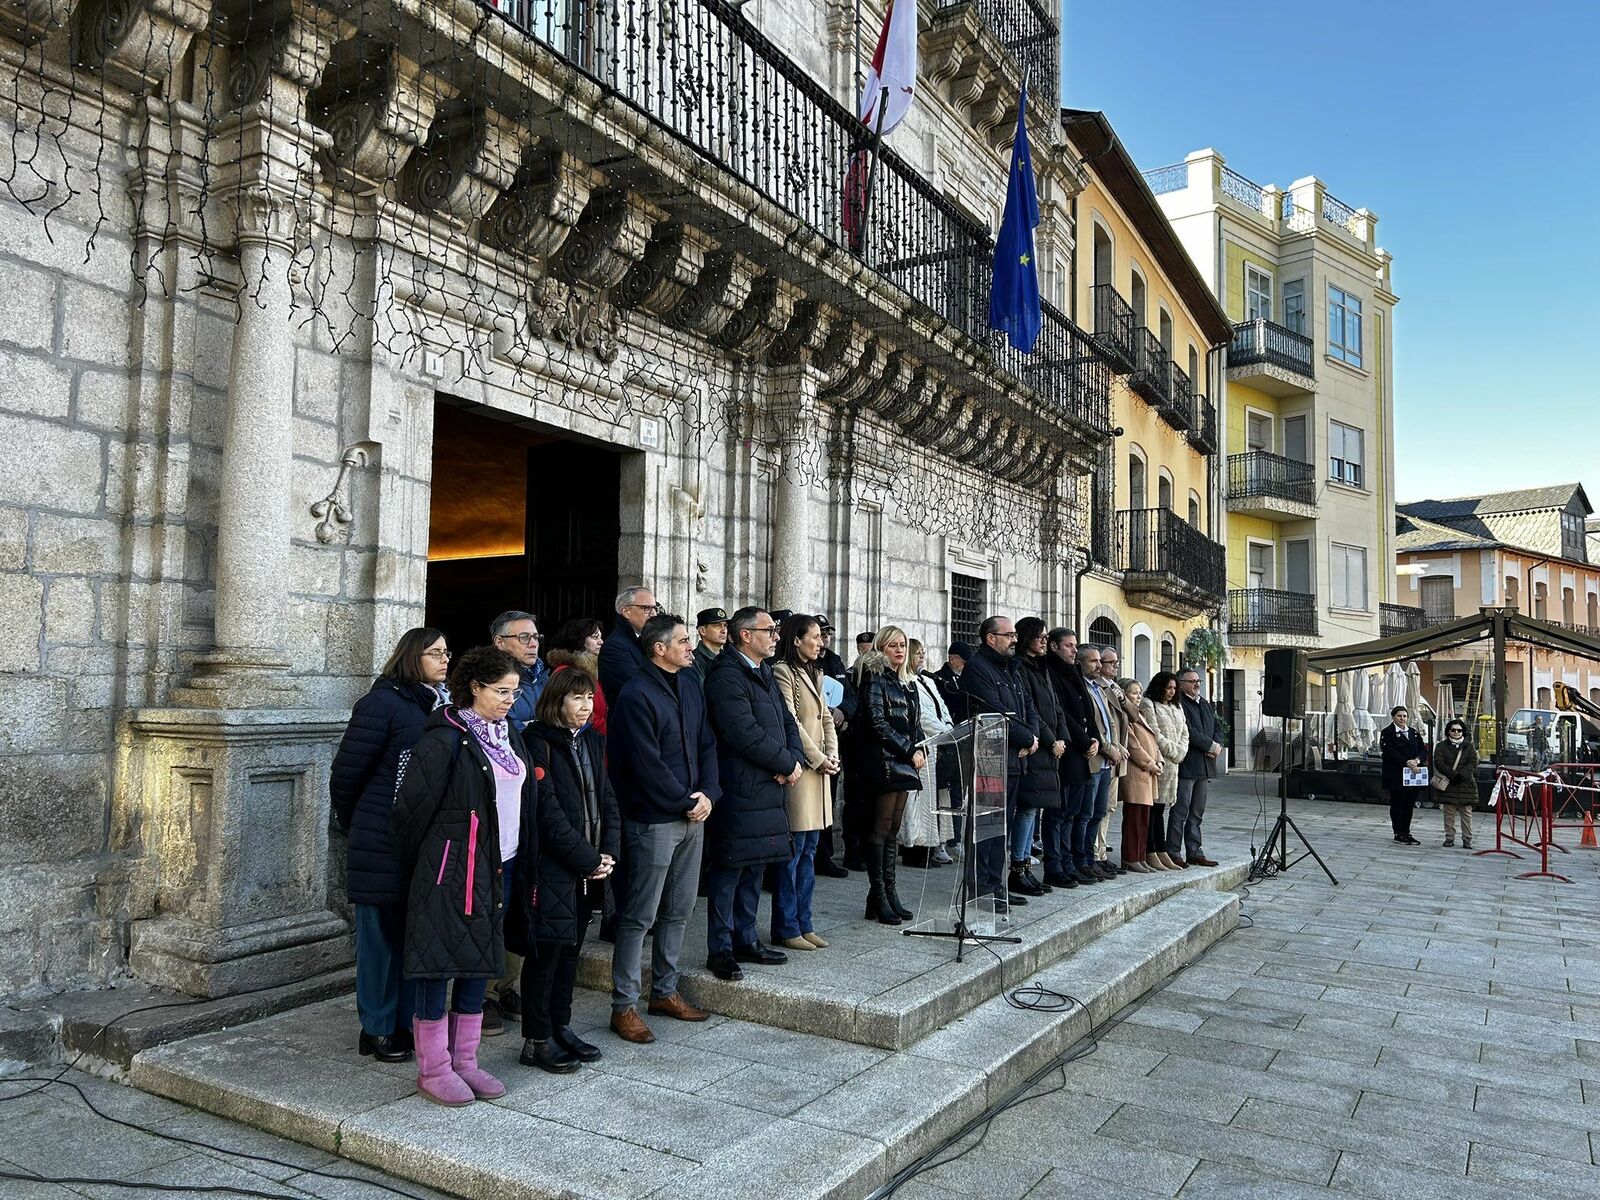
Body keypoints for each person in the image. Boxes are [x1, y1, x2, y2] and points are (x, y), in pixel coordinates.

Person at [390, 646, 536, 1106]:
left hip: (502, 861)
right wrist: (432, 862)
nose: (510, 700)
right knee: (438, 962)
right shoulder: (446, 736)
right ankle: (433, 1068)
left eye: (515, 692)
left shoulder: (509, 732)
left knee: (481, 957)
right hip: (452, 865)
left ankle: (466, 1060)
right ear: (474, 687)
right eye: (501, 691)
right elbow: (411, 809)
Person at [330, 626, 451, 1064]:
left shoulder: (442, 705)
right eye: (435, 653)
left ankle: (404, 1020)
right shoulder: (380, 704)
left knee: (411, 935)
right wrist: (358, 822)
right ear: (410, 657)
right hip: (380, 836)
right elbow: (346, 775)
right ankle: (376, 1027)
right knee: (378, 937)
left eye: (446, 652)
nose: (444, 659)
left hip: (421, 841)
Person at [606, 613, 718, 1042]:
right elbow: (643, 761)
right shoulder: (636, 693)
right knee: (640, 915)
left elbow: (706, 743)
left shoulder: (690, 685)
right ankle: (624, 1005)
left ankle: (665, 992)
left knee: (680, 910)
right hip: (655, 818)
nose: (691, 648)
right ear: (659, 648)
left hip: (694, 813)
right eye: (684, 641)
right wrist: (684, 800)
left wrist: (708, 792)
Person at [514, 667, 618, 1073]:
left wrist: (607, 853)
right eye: (577, 698)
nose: (586, 705)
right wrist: (587, 859)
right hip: (554, 867)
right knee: (547, 952)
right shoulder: (537, 741)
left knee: (571, 950)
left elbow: (607, 799)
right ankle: (536, 1039)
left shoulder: (591, 740)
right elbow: (547, 811)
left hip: (588, 866)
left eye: (589, 698)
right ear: (556, 701)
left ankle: (561, 1026)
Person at [703, 607, 804, 978]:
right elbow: (742, 731)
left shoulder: (762, 672)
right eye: (770, 630)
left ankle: (747, 939)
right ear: (745, 635)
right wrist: (785, 764)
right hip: (741, 789)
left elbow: (787, 722)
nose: (777, 636)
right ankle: (721, 948)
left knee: (754, 869)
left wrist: (793, 759)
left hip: (769, 789)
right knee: (729, 870)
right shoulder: (726, 675)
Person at [771, 613, 841, 950]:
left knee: (810, 851)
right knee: (794, 852)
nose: (820, 641)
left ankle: (805, 921)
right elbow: (792, 721)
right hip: (803, 771)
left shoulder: (815, 671)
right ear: (795, 639)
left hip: (820, 774)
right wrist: (817, 757)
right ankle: (786, 926)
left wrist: (833, 752)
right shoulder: (783, 672)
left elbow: (825, 718)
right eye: (813, 635)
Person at [960, 616, 1039, 914]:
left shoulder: (1013, 669)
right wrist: (1027, 737)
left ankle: (996, 886)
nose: (1015, 640)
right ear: (991, 638)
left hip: (1014, 760)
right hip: (990, 759)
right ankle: (981, 890)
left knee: (1002, 828)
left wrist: (1032, 736)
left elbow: (1027, 707)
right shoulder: (978, 668)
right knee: (986, 828)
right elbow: (994, 711)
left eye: (1015, 635)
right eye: (1009, 635)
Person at [852, 627, 926, 924]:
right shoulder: (874, 678)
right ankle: (878, 895)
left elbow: (913, 721)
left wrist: (921, 746)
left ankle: (889, 894)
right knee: (880, 828)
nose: (899, 650)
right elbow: (876, 722)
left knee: (894, 829)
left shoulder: (906, 682)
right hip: (882, 763)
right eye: (893, 645)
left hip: (905, 762)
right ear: (881, 648)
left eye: (903, 645)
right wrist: (910, 749)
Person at [1013, 618, 1068, 895]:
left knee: (1034, 810)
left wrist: (1063, 738)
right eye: (1040, 637)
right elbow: (1030, 708)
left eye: (1047, 637)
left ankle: (1026, 868)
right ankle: (1018, 868)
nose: (1045, 641)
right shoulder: (1020, 667)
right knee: (1026, 809)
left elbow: (1055, 707)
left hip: (1050, 747)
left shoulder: (1042, 667)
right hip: (1035, 746)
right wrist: (1049, 740)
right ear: (1026, 638)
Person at [1044, 628, 1100, 888]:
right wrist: (1084, 739)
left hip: (1082, 753)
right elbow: (1063, 714)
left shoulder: (1073, 671)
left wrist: (1096, 738)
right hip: (1066, 752)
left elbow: (1087, 710)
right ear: (1054, 646)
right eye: (1068, 646)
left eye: (1075, 646)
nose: (1073, 650)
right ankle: (1056, 864)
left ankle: (1071, 862)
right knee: (1059, 814)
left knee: (1075, 812)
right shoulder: (1051, 672)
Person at [906, 639, 956, 867]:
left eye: (924, 653)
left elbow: (940, 706)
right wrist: (944, 731)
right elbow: (921, 715)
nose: (922, 657)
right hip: (923, 743)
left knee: (937, 797)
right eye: (918, 653)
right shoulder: (907, 682)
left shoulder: (927, 679)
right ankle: (917, 850)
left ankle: (935, 845)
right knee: (921, 802)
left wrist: (949, 726)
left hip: (939, 744)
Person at [815, 617, 858, 878]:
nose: (826, 637)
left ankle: (824, 856)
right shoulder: (802, 660)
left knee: (828, 801)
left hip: (832, 742)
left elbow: (850, 695)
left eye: (829, 632)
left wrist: (843, 712)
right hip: (811, 742)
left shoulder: (834, 660)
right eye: (821, 632)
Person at [1171, 668, 1222, 867]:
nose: (1197, 684)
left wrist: (1217, 745)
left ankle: (1194, 851)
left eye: (1198, 680)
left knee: (1197, 812)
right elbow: (1188, 731)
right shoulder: (1180, 704)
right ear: (1181, 683)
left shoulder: (1205, 704)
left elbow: (1217, 727)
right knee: (1180, 811)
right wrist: (1209, 745)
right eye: (1192, 681)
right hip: (1188, 764)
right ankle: (1174, 851)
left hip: (1206, 766)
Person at [1077, 645, 1118, 881]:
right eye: (1093, 661)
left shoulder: (1099, 688)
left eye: (1099, 662)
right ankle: (1082, 860)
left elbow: (1109, 722)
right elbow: (1092, 725)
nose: (1099, 666)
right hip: (1094, 758)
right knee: (1086, 813)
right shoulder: (1082, 687)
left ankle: (1091, 860)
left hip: (1105, 762)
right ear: (1081, 663)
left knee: (1098, 812)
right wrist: (1108, 748)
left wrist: (1116, 748)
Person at [1139, 672, 1186, 871]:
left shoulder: (1177, 706)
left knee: (1161, 810)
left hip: (1174, 763)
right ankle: (1152, 851)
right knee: (1153, 810)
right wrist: (1174, 752)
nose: (1171, 692)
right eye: (1168, 688)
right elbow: (1154, 732)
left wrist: (1181, 751)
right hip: (1159, 761)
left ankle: (1162, 850)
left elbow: (1185, 731)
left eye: (1174, 688)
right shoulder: (1149, 704)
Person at [1117, 679, 1163, 873]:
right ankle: (1130, 857)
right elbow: (1133, 745)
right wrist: (1151, 764)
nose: (1138, 696)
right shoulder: (1126, 717)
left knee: (1145, 818)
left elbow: (1153, 739)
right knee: (1134, 818)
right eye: (1134, 693)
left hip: (1148, 773)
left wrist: (1159, 759)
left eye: (1140, 692)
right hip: (1137, 773)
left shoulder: (1141, 715)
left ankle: (1141, 856)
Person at [1095, 648, 1131, 874]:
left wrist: (1124, 698)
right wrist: (1114, 748)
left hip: (1116, 756)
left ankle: (1101, 852)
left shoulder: (1115, 688)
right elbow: (1104, 724)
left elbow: (1133, 716)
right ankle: (1095, 853)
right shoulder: (1097, 686)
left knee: (1108, 808)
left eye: (1117, 663)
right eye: (1111, 663)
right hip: (1106, 754)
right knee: (1098, 809)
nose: (1114, 667)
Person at [598, 585, 657, 708]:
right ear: (626, 612)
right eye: (646, 608)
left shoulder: (643, 640)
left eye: (655, 608)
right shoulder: (614, 647)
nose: (653, 614)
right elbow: (640, 687)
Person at [547, 617, 607, 734]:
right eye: (595, 637)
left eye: (600, 637)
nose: (601, 642)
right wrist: (609, 729)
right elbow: (579, 713)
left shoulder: (593, 669)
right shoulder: (566, 671)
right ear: (579, 639)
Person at [1380, 704, 1428, 846]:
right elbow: (1389, 752)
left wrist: (1417, 760)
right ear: (1393, 717)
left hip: (1412, 775)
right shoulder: (1387, 732)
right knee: (1397, 803)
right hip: (1396, 774)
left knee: (1409, 804)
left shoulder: (1413, 732)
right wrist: (1407, 762)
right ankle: (1398, 832)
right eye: (1399, 716)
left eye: (1405, 716)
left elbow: (1423, 750)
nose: (1402, 718)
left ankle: (1406, 831)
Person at [493, 610, 546, 732]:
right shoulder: (490, 682)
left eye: (536, 637)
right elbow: (506, 727)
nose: (533, 644)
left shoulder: (546, 679)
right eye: (524, 637)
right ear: (500, 642)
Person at [1433, 718, 1479, 849]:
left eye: (1459, 730)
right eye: (1453, 730)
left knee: (1466, 812)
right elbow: (1438, 762)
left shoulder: (1469, 747)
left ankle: (1467, 839)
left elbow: (1473, 763)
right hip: (1449, 783)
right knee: (1449, 812)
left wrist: (1462, 775)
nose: (1456, 732)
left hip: (1466, 783)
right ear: (1448, 731)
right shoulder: (1441, 746)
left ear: (1463, 732)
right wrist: (1453, 775)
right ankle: (1449, 837)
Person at [933, 642, 972, 725]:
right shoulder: (938, 678)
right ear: (952, 659)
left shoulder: (967, 677)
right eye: (964, 663)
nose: (966, 666)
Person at [693, 607, 730, 681]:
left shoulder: (728, 657)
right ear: (702, 631)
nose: (724, 631)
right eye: (717, 625)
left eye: (725, 625)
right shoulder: (695, 661)